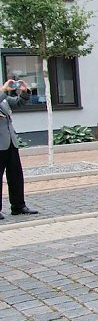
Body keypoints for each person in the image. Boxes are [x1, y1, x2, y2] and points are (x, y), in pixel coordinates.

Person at [0, 79, 38, 220]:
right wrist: (4, 90)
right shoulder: (2, 95)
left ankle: (18, 206)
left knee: (16, 176)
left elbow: (18, 103)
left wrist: (24, 91)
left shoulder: (4, 99)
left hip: (10, 142)